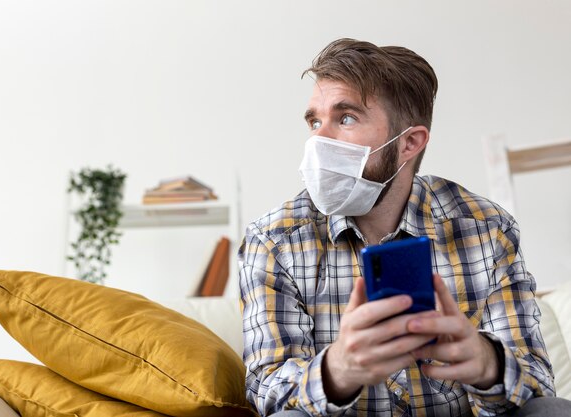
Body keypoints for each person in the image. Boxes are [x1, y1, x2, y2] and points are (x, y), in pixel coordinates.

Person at [238, 38, 565, 416]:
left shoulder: (486, 228)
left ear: (410, 142)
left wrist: (488, 363)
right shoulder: (274, 241)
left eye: (345, 118)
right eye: (315, 120)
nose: (318, 139)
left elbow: (537, 382)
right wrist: (336, 370)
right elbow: (267, 390)